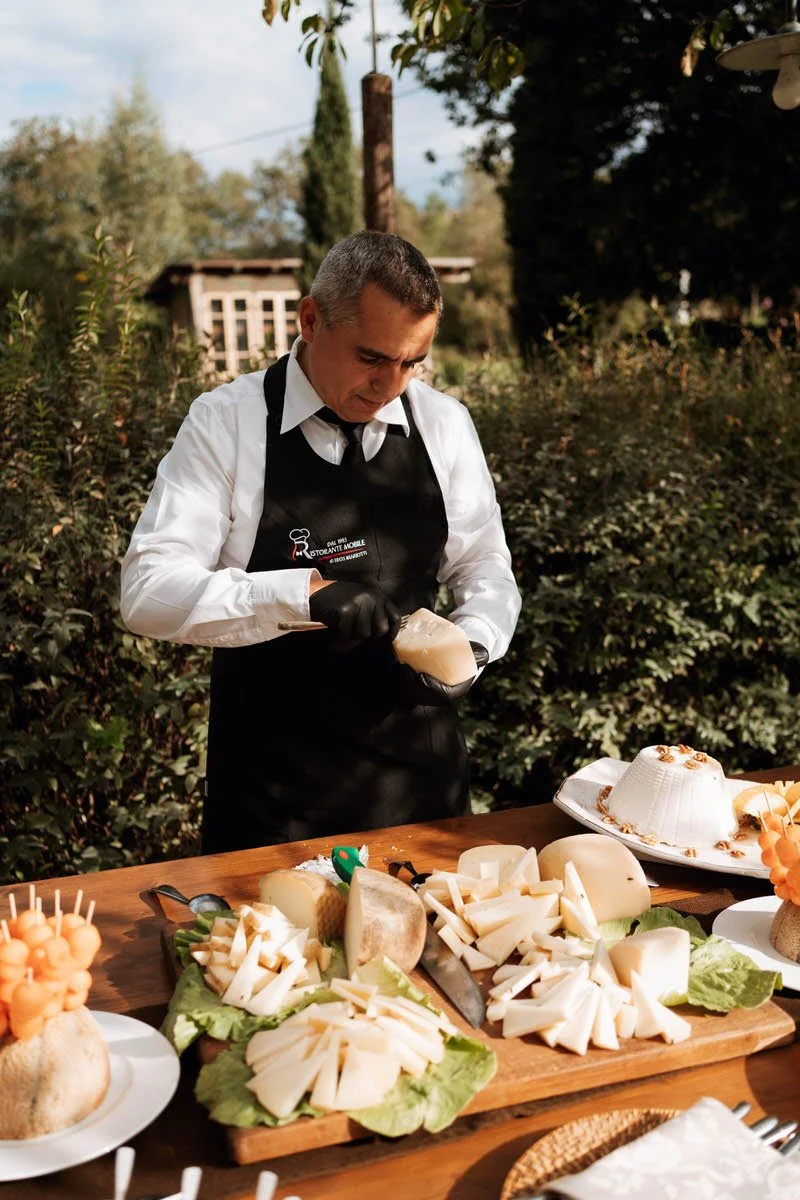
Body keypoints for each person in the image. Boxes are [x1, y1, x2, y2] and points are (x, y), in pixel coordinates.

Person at [120, 231, 521, 852]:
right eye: (371, 357)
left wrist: (474, 644)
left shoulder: (444, 423)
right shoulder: (227, 422)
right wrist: (302, 595)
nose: (392, 383)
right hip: (274, 805)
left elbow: (486, 566)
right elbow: (146, 591)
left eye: (412, 361)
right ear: (310, 319)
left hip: (422, 796)